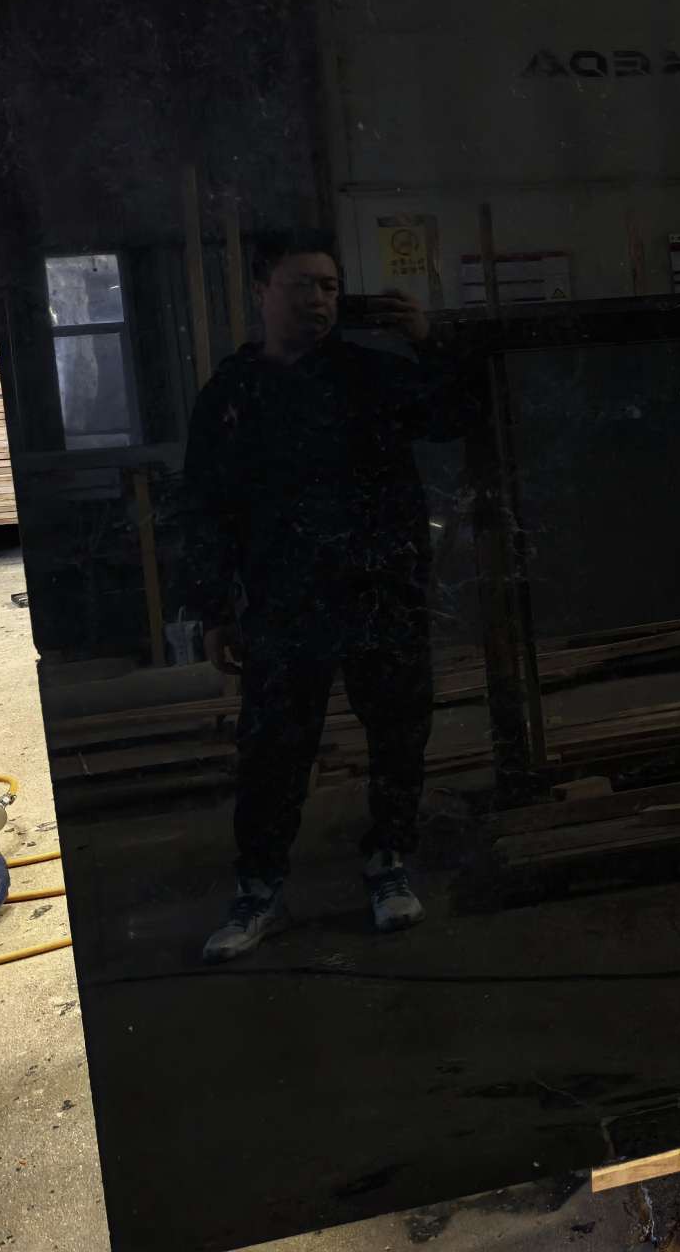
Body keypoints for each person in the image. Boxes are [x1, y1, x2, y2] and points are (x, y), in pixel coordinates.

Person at [182, 235, 465, 961]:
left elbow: (454, 417)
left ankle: (387, 861)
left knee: (399, 730)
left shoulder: (371, 375)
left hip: (379, 589)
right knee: (273, 749)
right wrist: (215, 609)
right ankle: (260, 890)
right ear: (262, 291)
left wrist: (428, 340)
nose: (320, 300)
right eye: (303, 285)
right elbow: (206, 507)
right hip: (284, 598)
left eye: (331, 287)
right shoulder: (232, 395)